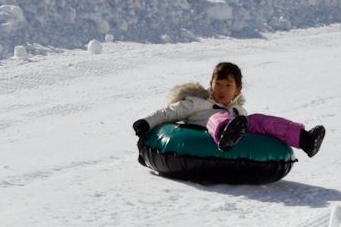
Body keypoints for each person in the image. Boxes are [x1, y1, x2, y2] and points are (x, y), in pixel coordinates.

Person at [132, 62, 326, 158]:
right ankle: (226, 132)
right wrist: (146, 122)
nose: (221, 90)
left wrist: (243, 121)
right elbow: (168, 112)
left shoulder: (238, 110)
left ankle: (305, 140)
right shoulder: (197, 102)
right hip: (203, 135)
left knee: (259, 120)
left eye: (227, 86)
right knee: (217, 117)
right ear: (211, 84)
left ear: (237, 89)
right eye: (218, 84)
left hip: (237, 128)